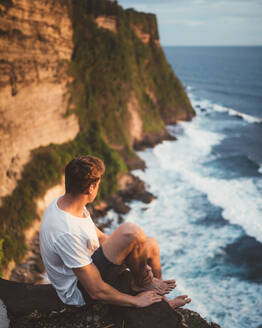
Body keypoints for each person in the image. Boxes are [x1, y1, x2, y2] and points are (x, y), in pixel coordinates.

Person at [40, 155, 191, 309]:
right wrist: (136, 301)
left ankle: (163, 302)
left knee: (151, 245)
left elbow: (100, 238)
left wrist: (138, 263)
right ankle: (142, 285)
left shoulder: (71, 204)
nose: (98, 187)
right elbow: (95, 290)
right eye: (98, 183)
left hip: (90, 263)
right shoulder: (65, 230)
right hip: (80, 291)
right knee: (131, 231)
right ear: (90, 188)